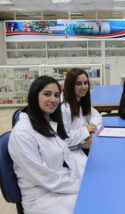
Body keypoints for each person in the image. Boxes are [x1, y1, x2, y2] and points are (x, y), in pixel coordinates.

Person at [8, 76, 82, 214]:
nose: (53, 100)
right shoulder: (23, 133)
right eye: (47, 94)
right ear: (34, 95)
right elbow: (43, 177)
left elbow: (64, 159)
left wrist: (78, 180)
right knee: (90, 204)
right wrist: (79, 185)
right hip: (41, 198)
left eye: (56, 95)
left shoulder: (47, 122)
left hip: (59, 188)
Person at [61, 68, 102, 168]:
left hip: (81, 145)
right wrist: (85, 131)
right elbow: (64, 140)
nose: (83, 87)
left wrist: (91, 132)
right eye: (78, 84)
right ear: (70, 86)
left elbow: (96, 116)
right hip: (69, 152)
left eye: (85, 83)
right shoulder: (64, 107)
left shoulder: (80, 101)